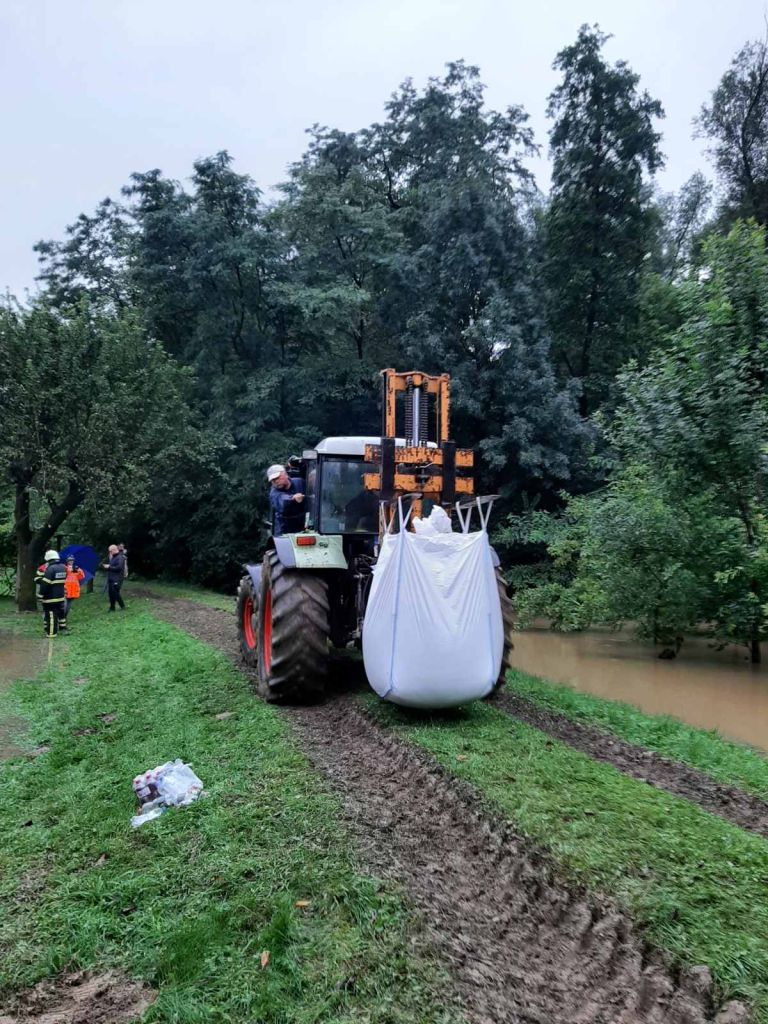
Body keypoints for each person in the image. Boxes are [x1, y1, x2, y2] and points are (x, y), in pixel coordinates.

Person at [34, 550, 67, 637]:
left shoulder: (50, 569)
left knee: (51, 615)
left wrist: (40, 595)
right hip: (60, 596)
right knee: (60, 613)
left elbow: (45, 584)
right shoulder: (63, 567)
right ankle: (62, 628)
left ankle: (51, 633)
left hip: (50, 597)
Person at [267, 464, 305, 537]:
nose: (275, 481)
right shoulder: (274, 493)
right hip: (283, 531)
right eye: (272, 480)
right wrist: (293, 498)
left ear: (285, 474)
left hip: (303, 526)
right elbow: (282, 500)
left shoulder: (299, 482)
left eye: (277, 478)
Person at [62, 556, 85, 628]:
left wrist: (78, 570)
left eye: (72, 560)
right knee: (64, 606)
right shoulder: (64, 568)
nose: (71, 561)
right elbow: (62, 576)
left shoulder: (76, 568)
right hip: (65, 589)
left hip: (73, 591)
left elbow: (81, 576)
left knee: (68, 606)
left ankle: (64, 618)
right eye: (69, 560)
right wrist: (67, 570)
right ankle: (61, 619)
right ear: (67, 561)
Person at [102, 544, 126, 611]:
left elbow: (119, 568)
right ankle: (112, 608)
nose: (110, 552)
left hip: (117, 578)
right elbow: (113, 566)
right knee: (111, 594)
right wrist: (107, 567)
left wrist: (109, 567)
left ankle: (122, 606)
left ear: (114, 550)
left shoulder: (120, 557)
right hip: (111, 578)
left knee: (115, 593)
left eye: (110, 551)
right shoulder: (113, 557)